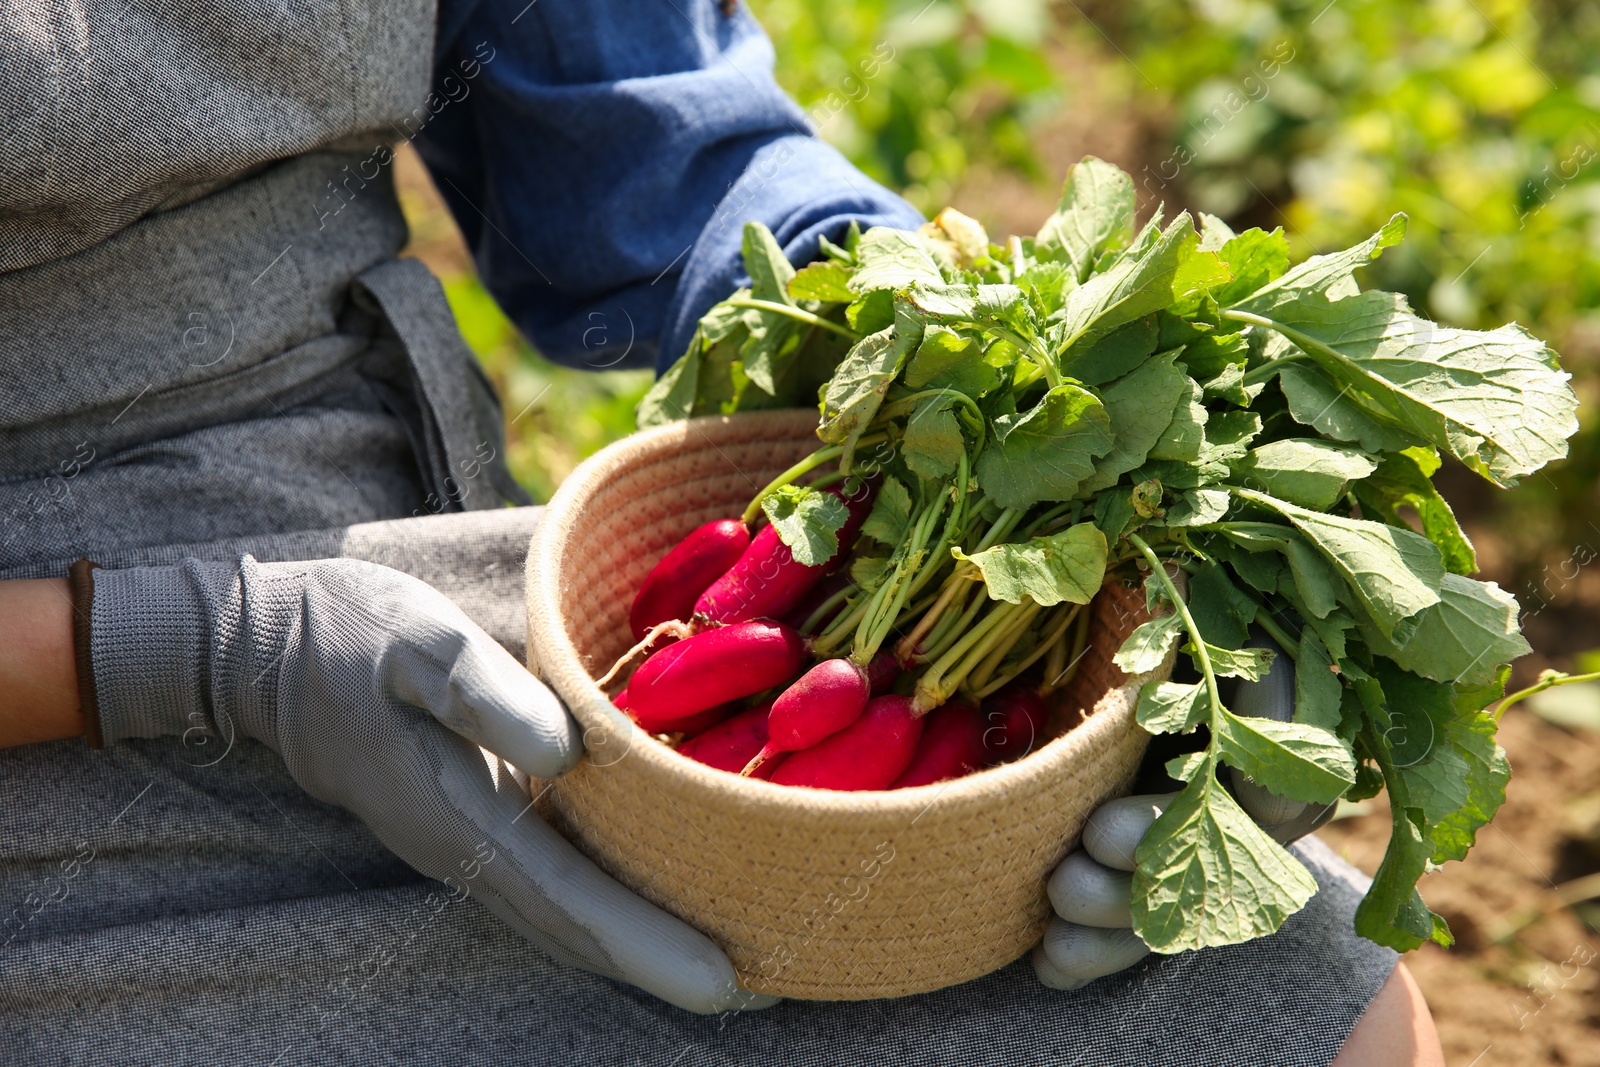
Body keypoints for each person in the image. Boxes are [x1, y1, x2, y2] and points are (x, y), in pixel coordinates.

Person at [0, 1, 1442, 1063]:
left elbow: (639, 127)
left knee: (1304, 1013)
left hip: (414, 601)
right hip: (42, 701)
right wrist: (171, 652)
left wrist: (907, 336)